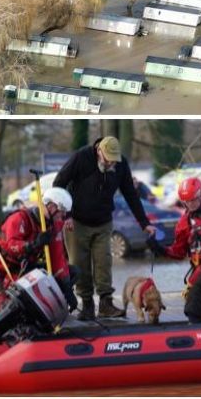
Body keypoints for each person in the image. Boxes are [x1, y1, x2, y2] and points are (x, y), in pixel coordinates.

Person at [53, 136, 151, 321]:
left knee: (104, 262)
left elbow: (130, 193)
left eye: (114, 161)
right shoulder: (81, 157)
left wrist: (145, 223)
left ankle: (105, 304)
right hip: (77, 222)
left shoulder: (120, 165)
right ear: (99, 152)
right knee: (79, 264)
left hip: (103, 221)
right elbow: (59, 183)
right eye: (108, 160)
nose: (111, 164)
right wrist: (66, 215)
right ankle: (87, 304)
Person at [0, 187, 75, 321]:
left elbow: (58, 259)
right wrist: (33, 244)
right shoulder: (20, 218)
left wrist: (67, 289)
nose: (62, 217)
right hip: (8, 272)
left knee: (73, 272)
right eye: (61, 213)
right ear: (51, 206)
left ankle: (51, 313)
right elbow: (11, 245)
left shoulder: (53, 226)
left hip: (30, 268)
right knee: (1, 314)